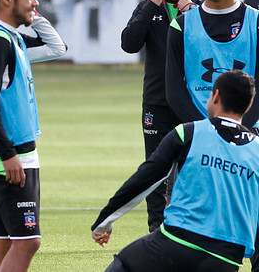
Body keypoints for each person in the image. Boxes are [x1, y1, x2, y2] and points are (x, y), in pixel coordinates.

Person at [91, 69, 259, 272]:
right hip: (226, 259)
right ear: (249, 105)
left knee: (123, 266)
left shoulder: (188, 132)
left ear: (216, 96)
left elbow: (146, 177)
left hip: (176, 242)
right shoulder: (257, 149)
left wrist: (105, 221)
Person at [0, 0, 66, 272]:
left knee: (7, 241)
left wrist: (32, 17)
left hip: (12, 156)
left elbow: (57, 47)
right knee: (27, 242)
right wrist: (8, 153)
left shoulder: (10, 38)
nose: (35, 3)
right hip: (9, 159)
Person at [121, 0, 202, 233]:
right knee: (156, 167)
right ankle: (157, 226)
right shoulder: (148, 6)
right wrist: (147, 9)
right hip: (156, 102)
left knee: (193, 166)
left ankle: (190, 225)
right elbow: (129, 44)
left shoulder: (201, 8)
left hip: (193, 102)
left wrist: (193, 14)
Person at [166, 0, 259, 132]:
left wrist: (238, 129)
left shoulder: (256, 22)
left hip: (249, 134)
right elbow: (174, 92)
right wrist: (206, 131)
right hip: (200, 133)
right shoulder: (180, 26)